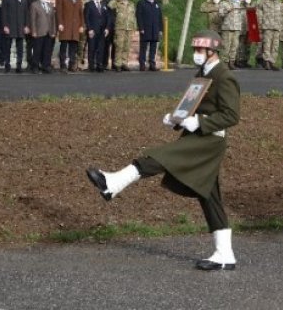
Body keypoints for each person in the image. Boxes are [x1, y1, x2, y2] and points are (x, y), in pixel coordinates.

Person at [87, 30, 241, 271]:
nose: (196, 54)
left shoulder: (224, 76)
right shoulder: (202, 73)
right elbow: (191, 103)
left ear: (213, 52)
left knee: (162, 157)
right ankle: (225, 254)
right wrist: (176, 118)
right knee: (209, 195)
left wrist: (201, 122)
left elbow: (231, 115)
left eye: (200, 51)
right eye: (195, 50)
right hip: (196, 135)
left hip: (209, 141)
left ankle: (114, 182)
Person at [55, 0, 85, 73]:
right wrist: (60, 23)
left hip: (75, 26)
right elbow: (58, 12)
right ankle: (63, 65)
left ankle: (72, 65)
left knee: (73, 46)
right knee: (64, 46)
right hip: (65, 25)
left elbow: (81, 13)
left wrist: (81, 25)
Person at [1, 0, 30, 73]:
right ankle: (7, 65)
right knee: (7, 47)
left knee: (20, 48)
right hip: (10, 26)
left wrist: (26, 26)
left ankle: (19, 66)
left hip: (21, 27)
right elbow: (3, 13)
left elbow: (27, 13)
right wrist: (5, 25)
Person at [108, 0, 136, 72]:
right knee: (119, 46)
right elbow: (109, 5)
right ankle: (118, 64)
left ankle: (124, 63)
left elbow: (133, 16)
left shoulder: (131, 4)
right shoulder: (117, 3)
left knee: (126, 47)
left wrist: (134, 27)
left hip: (129, 28)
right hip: (120, 28)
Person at [29, 0, 57, 74]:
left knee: (47, 50)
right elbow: (32, 19)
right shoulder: (34, 5)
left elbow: (53, 19)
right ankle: (35, 67)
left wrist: (53, 31)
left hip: (49, 31)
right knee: (37, 50)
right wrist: (33, 31)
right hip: (39, 31)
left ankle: (46, 66)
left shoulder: (50, 5)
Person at [255, 0, 283, 71]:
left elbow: (281, 15)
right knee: (267, 45)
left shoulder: (278, 2)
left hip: (276, 27)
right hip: (267, 27)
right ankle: (266, 62)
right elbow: (257, 4)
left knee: (275, 46)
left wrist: (281, 26)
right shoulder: (265, 1)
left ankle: (272, 62)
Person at [136, 0, 163, 71]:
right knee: (143, 47)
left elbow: (160, 17)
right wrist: (141, 28)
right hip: (145, 29)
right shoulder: (141, 3)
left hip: (154, 29)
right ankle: (142, 64)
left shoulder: (156, 4)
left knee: (153, 48)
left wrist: (161, 29)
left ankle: (152, 64)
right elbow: (139, 16)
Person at [85, 0, 110, 72]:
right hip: (93, 30)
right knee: (92, 48)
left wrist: (107, 28)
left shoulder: (104, 4)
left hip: (102, 30)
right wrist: (89, 29)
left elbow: (108, 17)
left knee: (101, 48)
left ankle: (99, 64)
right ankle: (91, 65)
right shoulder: (89, 4)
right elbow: (87, 18)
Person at [218, 0, 239, 69]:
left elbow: (239, 15)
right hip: (227, 27)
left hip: (236, 27)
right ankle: (225, 62)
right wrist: (227, 11)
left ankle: (231, 61)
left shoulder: (236, 3)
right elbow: (220, 14)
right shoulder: (223, 3)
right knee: (226, 46)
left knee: (234, 45)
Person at [102, 0, 118, 70]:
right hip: (108, 25)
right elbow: (108, 7)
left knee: (115, 45)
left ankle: (114, 63)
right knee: (106, 45)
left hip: (117, 25)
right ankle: (104, 63)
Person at [25, 0, 41, 68]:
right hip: (31, 25)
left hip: (39, 25)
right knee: (30, 45)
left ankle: (36, 62)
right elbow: (27, 12)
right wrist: (27, 25)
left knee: (37, 45)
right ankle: (30, 62)